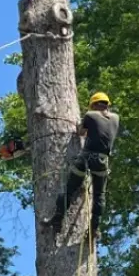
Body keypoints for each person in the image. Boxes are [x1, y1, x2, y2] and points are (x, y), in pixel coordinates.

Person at [44, 92, 120, 240]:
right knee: (99, 195)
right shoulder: (116, 118)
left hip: (86, 158)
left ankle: (58, 219)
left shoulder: (90, 115)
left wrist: (80, 123)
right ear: (107, 104)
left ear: (94, 105)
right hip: (102, 161)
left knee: (70, 188)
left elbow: (80, 132)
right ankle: (94, 228)